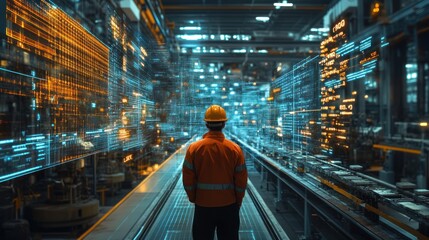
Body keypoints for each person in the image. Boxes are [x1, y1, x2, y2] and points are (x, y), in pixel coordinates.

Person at [182, 104, 248, 240]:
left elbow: (188, 179)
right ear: (224, 124)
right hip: (229, 206)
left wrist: (193, 197)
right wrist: (238, 201)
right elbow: (241, 181)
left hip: (203, 206)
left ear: (206, 124)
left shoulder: (194, 149)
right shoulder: (235, 149)